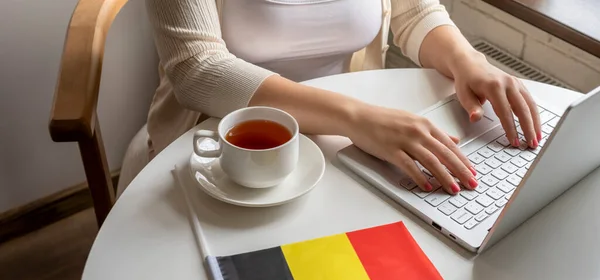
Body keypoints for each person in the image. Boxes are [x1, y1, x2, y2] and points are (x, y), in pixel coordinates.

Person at [117, 0, 541, 196]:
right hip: (223, 148)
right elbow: (198, 68)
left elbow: (414, 12)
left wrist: (469, 60)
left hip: (345, 144)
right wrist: (356, 117)